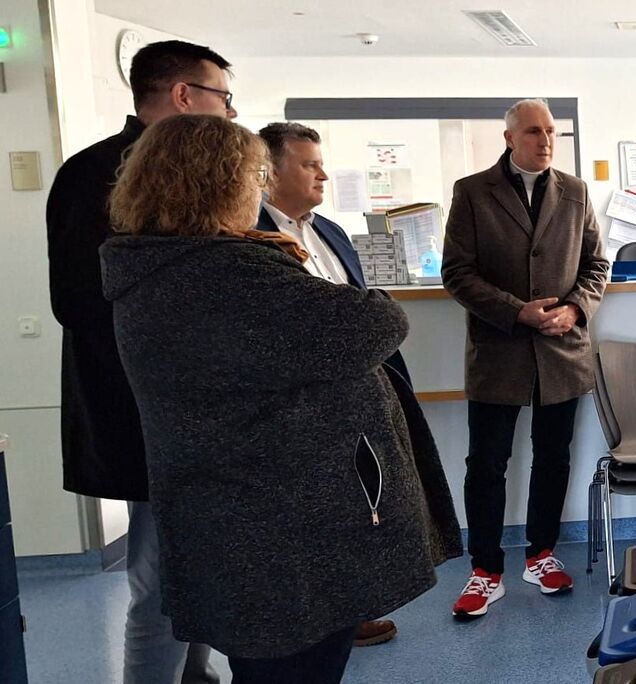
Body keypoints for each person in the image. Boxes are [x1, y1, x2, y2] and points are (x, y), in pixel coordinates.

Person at [100, 114, 459, 683]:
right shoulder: (229, 272)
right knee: (295, 668)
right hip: (279, 525)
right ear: (220, 183)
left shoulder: (153, 267)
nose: (260, 189)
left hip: (230, 505)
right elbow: (373, 321)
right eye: (255, 176)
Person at [44, 39, 234, 684]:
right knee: (162, 579)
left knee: (197, 567)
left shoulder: (191, 174)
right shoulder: (99, 173)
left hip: (195, 409)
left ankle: (196, 674)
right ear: (183, 95)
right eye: (222, 97)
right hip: (146, 409)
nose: (229, 113)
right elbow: (81, 302)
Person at [257, 121, 442, 648]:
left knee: (361, 505)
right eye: (308, 165)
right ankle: (324, 618)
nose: (322, 175)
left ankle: (353, 607)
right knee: (312, 514)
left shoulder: (332, 232)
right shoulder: (249, 237)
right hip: (301, 405)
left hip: (358, 396)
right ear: (270, 172)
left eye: (321, 164)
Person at [441, 98, 610, 619]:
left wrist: (575, 309)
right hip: (499, 350)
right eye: (534, 131)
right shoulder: (472, 192)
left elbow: (597, 265)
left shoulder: (575, 191)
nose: (546, 140)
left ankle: (541, 554)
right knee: (486, 464)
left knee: (553, 457)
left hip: (562, 351)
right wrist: (517, 312)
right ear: (510, 137)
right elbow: (457, 273)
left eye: (551, 131)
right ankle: (485, 570)